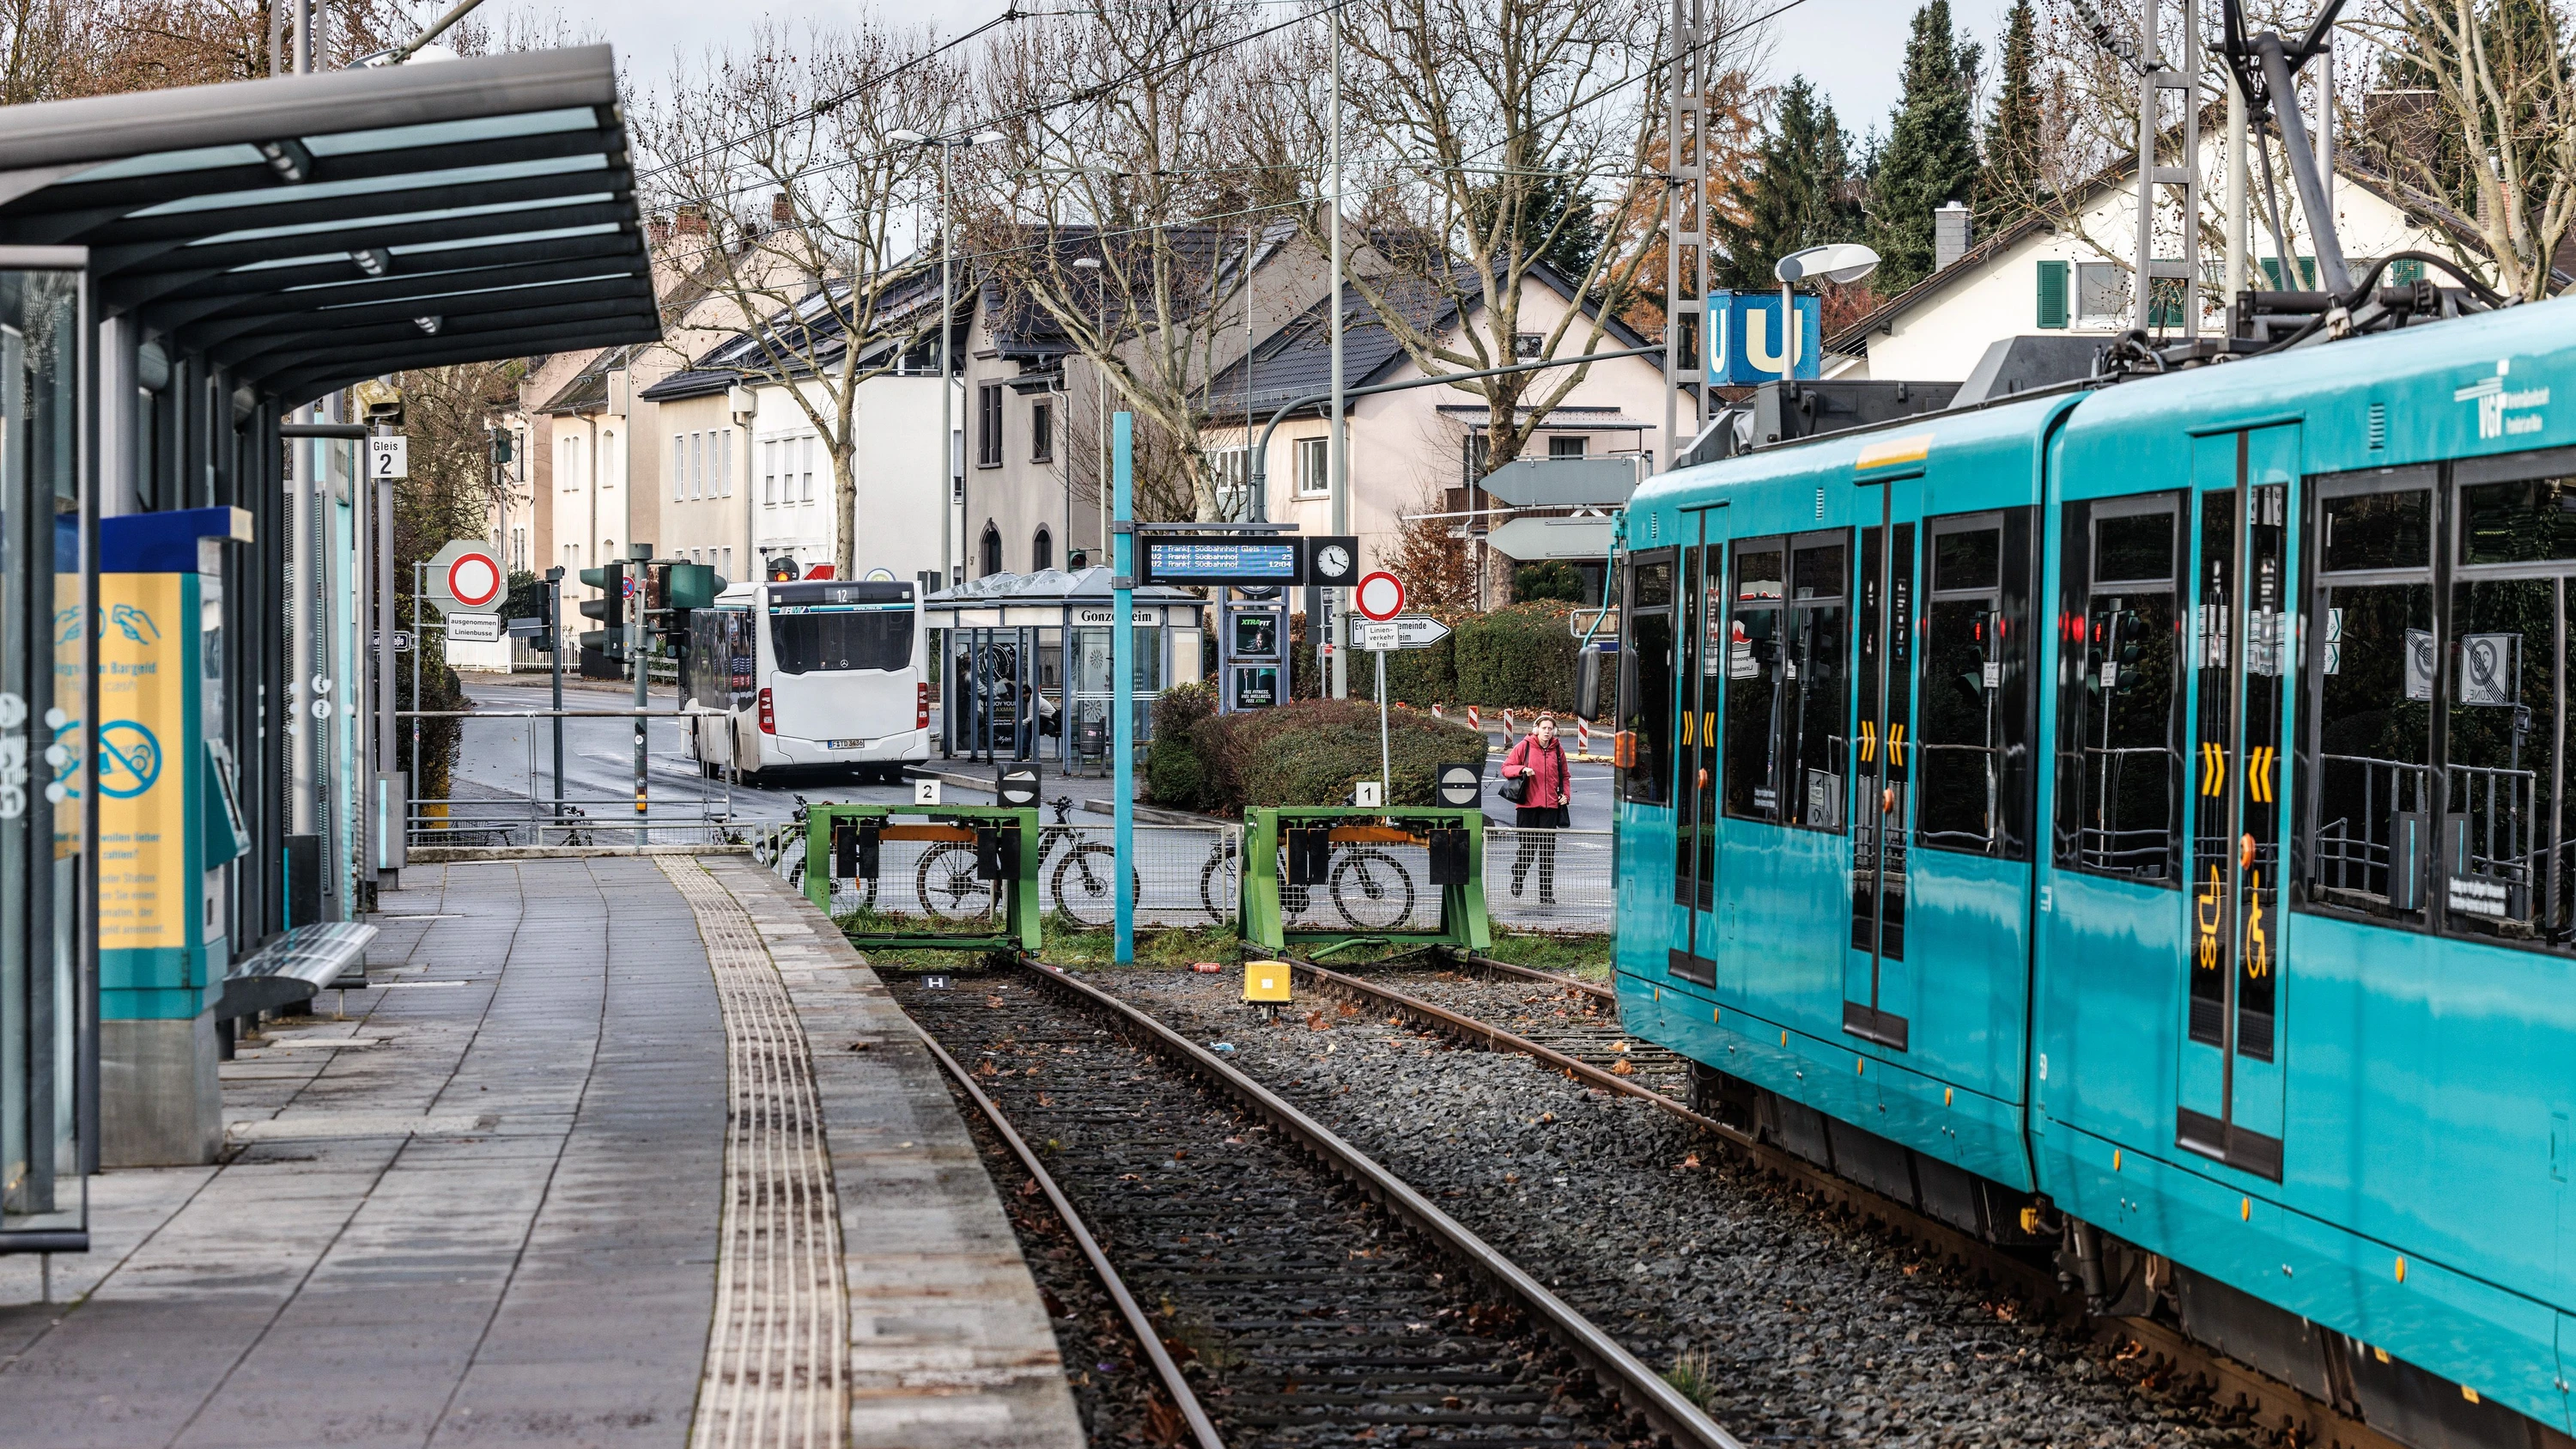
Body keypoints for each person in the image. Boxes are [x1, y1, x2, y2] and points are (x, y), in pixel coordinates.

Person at [1500, 712, 1571, 904]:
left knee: (1548, 852)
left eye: (1550, 729)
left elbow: (1565, 776)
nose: (1547, 732)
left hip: (1550, 807)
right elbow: (1506, 768)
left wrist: (1566, 796)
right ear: (1536, 730)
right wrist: (1522, 769)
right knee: (1528, 848)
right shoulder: (1524, 746)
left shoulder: (1558, 750)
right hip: (1527, 806)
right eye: (1544, 728)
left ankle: (1546, 894)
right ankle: (1518, 875)